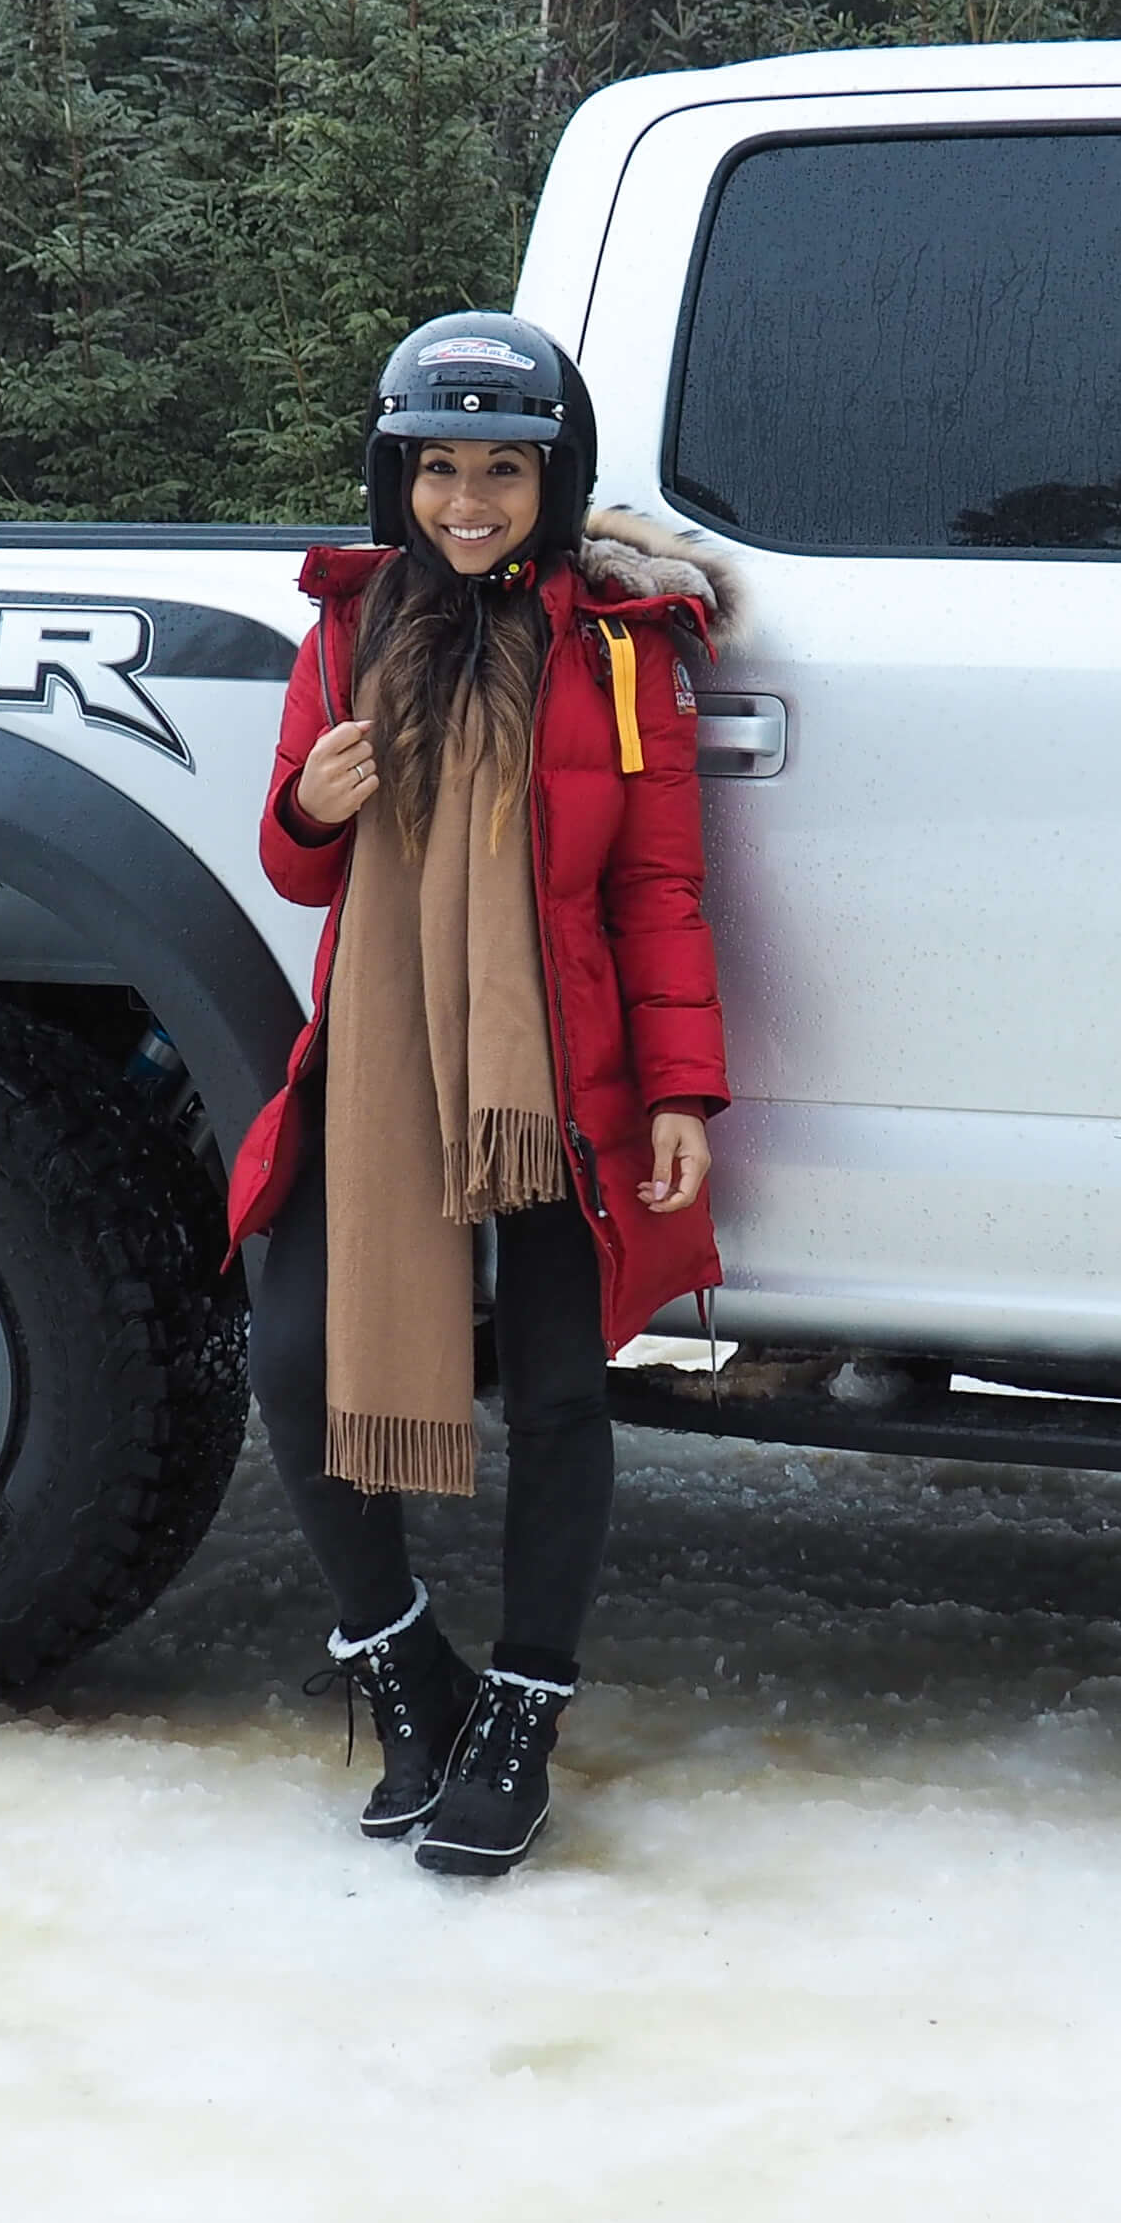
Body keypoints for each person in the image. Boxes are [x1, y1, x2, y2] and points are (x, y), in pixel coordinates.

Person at [223, 309, 735, 1877]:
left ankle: (523, 1702)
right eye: (437, 468)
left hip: (557, 1081)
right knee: (297, 1363)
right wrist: (305, 804)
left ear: (551, 477)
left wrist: (680, 1095)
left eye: (502, 472)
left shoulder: (619, 649)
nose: (466, 502)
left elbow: (658, 885)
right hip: (378, 1068)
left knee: (561, 1394)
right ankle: (405, 1667)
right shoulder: (346, 634)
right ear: (398, 477)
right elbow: (299, 867)